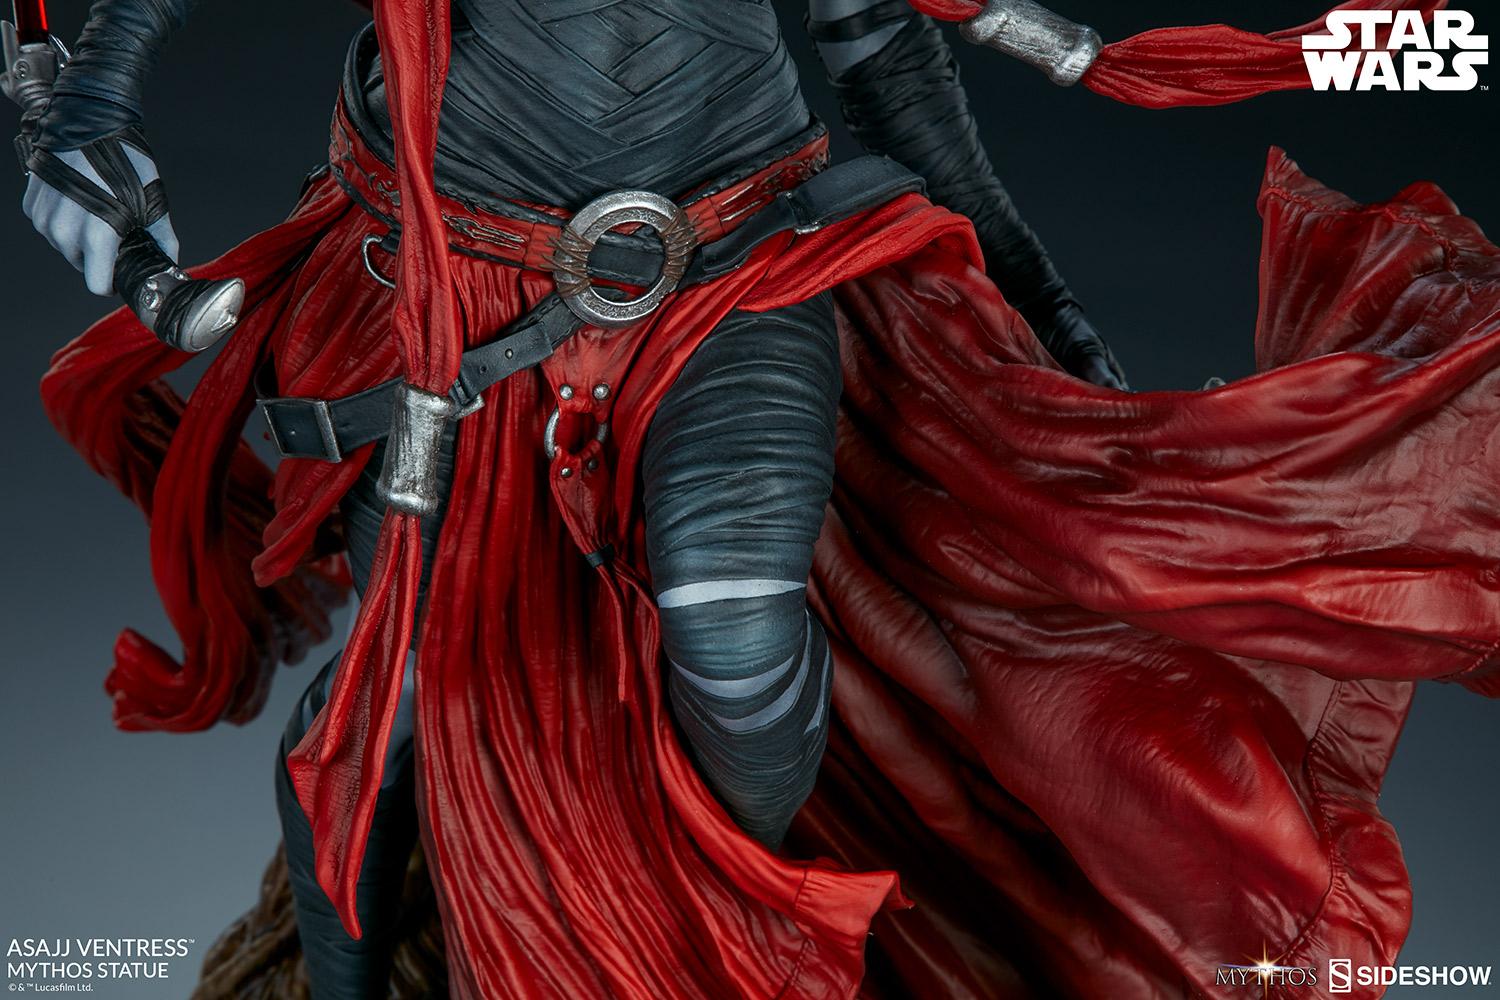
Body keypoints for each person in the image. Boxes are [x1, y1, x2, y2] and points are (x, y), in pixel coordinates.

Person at [20, 1, 1500, 997]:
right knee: (398, 714)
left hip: (735, 272)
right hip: (444, 300)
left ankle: (715, 949)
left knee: (737, 651)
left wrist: (1039, 299)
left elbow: (882, 47)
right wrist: (80, 104)